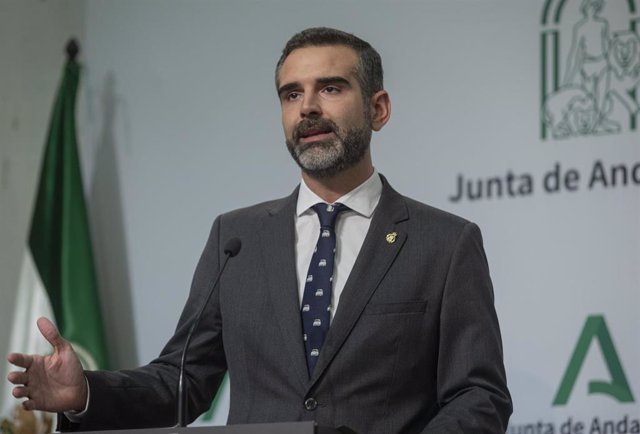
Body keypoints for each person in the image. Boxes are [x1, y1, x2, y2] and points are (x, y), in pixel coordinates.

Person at [7, 27, 512, 433]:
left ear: (378, 109)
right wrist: (86, 393)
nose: (308, 107)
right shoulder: (237, 238)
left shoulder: (444, 243)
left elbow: (478, 396)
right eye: (292, 94)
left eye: (330, 88)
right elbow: (184, 381)